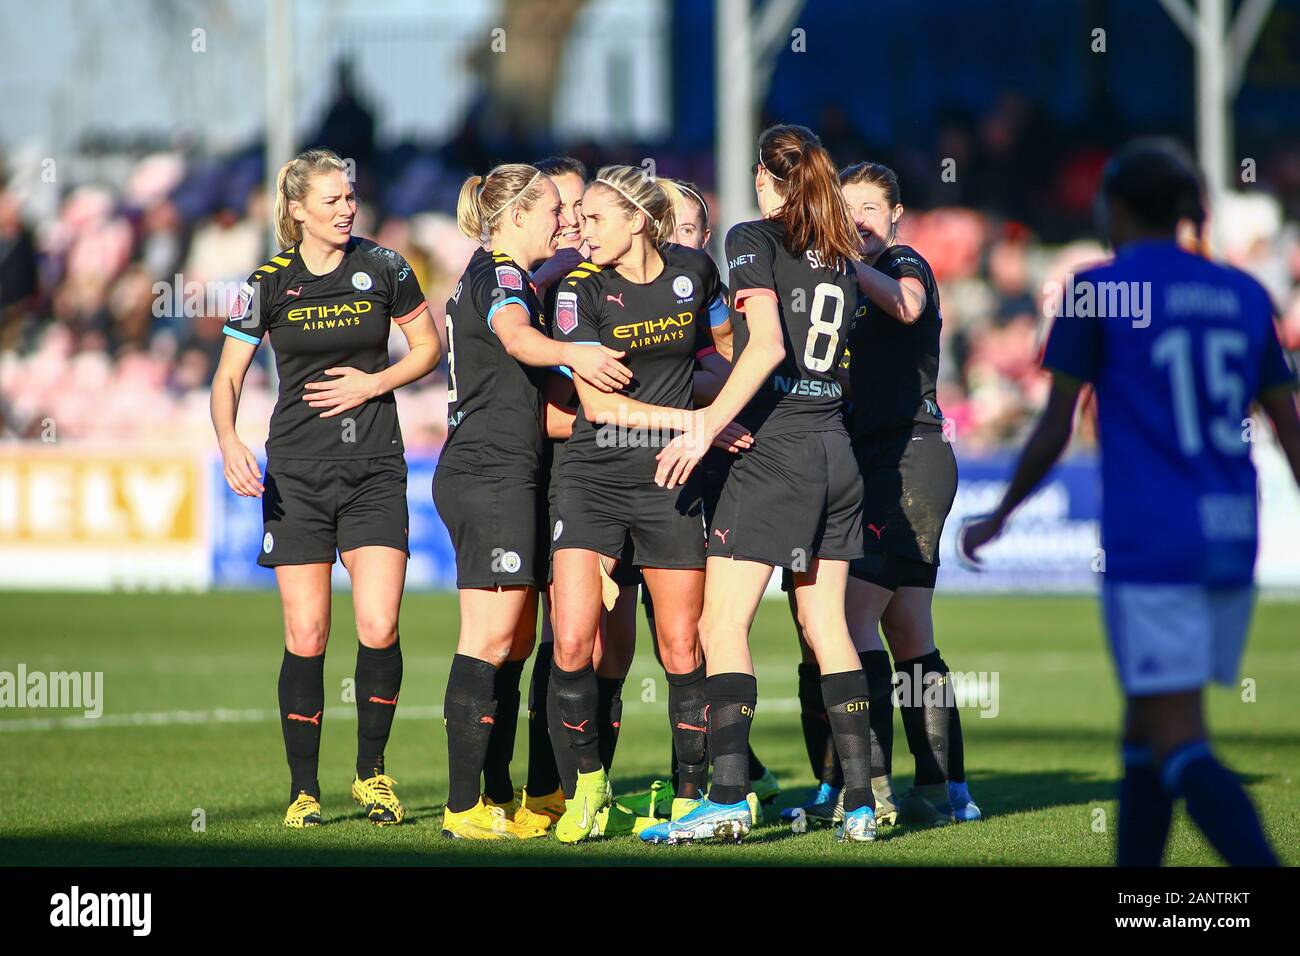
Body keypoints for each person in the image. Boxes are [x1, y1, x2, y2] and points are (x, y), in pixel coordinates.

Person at [962, 138, 1299, 866]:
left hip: (1153, 539)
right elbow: (1288, 426)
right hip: (1232, 534)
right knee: (1145, 734)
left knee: (1178, 739)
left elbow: (1055, 425)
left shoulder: (1096, 290)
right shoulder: (1244, 294)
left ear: (1115, 207)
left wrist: (999, 513)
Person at [652, 124, 879, 843]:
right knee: (826, 627)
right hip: (835, 446)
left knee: (721, 624)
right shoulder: (839, 249)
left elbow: (770, 346)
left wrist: (706, 421)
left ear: (766, 179)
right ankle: (864, 801)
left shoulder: (752, 239)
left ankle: (726, 797)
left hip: (776, 448)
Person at [211, 148, 440, 828]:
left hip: (375, 469)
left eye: (351, 197)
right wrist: (229, 441)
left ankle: (372, 776)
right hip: (299, 476)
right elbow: (226, 378)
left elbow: (429, 349)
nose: (347, 208)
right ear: (298, 210)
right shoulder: (269, 282)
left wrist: (376, 383)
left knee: (379, 624)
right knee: (307, 632)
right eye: (334, 199)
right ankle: (303, 791)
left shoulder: (385, 267)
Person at [546, 165, 749, 843]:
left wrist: (723, 406)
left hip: (668, 477)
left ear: (637, 219)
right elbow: (597, 403)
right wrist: (694, 422)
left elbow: (726, 349)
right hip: (593, 473)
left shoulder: (695, 271)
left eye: (594, 218)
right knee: (573, 639)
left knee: (681, 646)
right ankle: (589, 789)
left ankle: (693, 796)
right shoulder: (577, 290)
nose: (580, 229)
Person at [435, 162, 630, 839]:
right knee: (488, 638)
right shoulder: (504, 275)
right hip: (489, 472)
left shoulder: (502, 278)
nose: (563, 220)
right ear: (517, 214)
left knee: (512, 639)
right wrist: (581, 355)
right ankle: (463, 807)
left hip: (499, 466)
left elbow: (536, 410)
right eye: (552, 208)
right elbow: (518, 338)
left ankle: (493, 796)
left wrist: (619, 420)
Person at [782, 162, 980, 829]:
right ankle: (947, 788)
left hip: (907, 462)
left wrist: (839, 264)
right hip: (871, 463)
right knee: (908, 630)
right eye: (847, 208)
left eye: (871, 207)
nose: (859, 218)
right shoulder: (836, 278)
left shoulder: (901, 261)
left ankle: (873, 788)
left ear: (896, 215)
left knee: (846, 619)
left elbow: (910, 304)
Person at [622, 179, 782, 823]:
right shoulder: (621, 286)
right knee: (623, 639)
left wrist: (708, 416)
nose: (681, 241)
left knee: (687, 637)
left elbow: (727, 362)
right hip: (623, 470)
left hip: (701, 474)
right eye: (671, 229)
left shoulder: (711, 288)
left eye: (691, 230)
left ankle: (716, 782)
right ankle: (724, 774)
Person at [521, 157, 646, 829]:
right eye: (562, 210)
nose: (572, 222)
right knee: (560, 641)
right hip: (565, 479)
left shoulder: (608, 282)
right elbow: (544, 412)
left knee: (614, 649)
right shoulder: (548, 290)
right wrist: (647, 415)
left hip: (631, 475)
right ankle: (549, 790)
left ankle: (590, 787)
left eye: (581, 211)